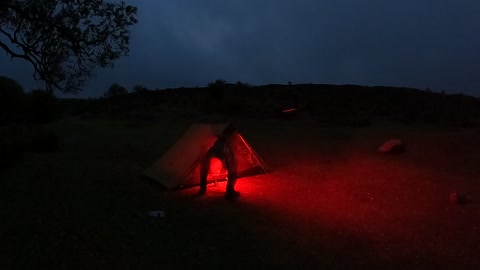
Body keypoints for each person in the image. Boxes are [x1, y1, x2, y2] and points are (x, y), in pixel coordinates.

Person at [198, 129, 240, 200]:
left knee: (232, 170)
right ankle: (229, 192)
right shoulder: (225, 133)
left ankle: (202, 190)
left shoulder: (219, 132)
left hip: (215, 148)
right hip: (218, 149)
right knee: (232, 169)